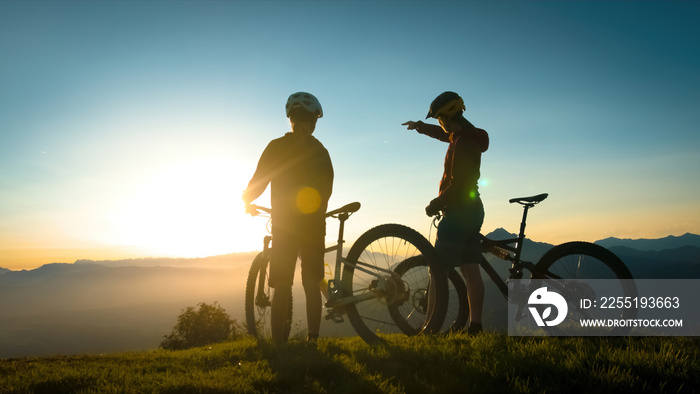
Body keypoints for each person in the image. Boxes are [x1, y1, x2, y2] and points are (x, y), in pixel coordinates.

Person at [243, 92, 334, 343]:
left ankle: (278, 345)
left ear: (291, 119)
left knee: (282, 285)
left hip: (284, 225)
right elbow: (326, 190)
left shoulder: (276, 147)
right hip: (314, 226)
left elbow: (259, 180)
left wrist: (246, 199)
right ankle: (313, 342)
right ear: (313, 120)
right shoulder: (321, 151)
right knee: (312, 282)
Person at [402, 91, 489, 335]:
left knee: (437, 271)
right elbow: (445, 136)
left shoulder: (461, 144)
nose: (440, 123)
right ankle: (476, 326)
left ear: (447, 116)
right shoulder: (466, 137)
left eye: (439, 118)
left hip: (458, 213)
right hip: (474, 212)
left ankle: (429, 328)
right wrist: (421, 127)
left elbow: (458, 185)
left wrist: (436, 204)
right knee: (471, 270)